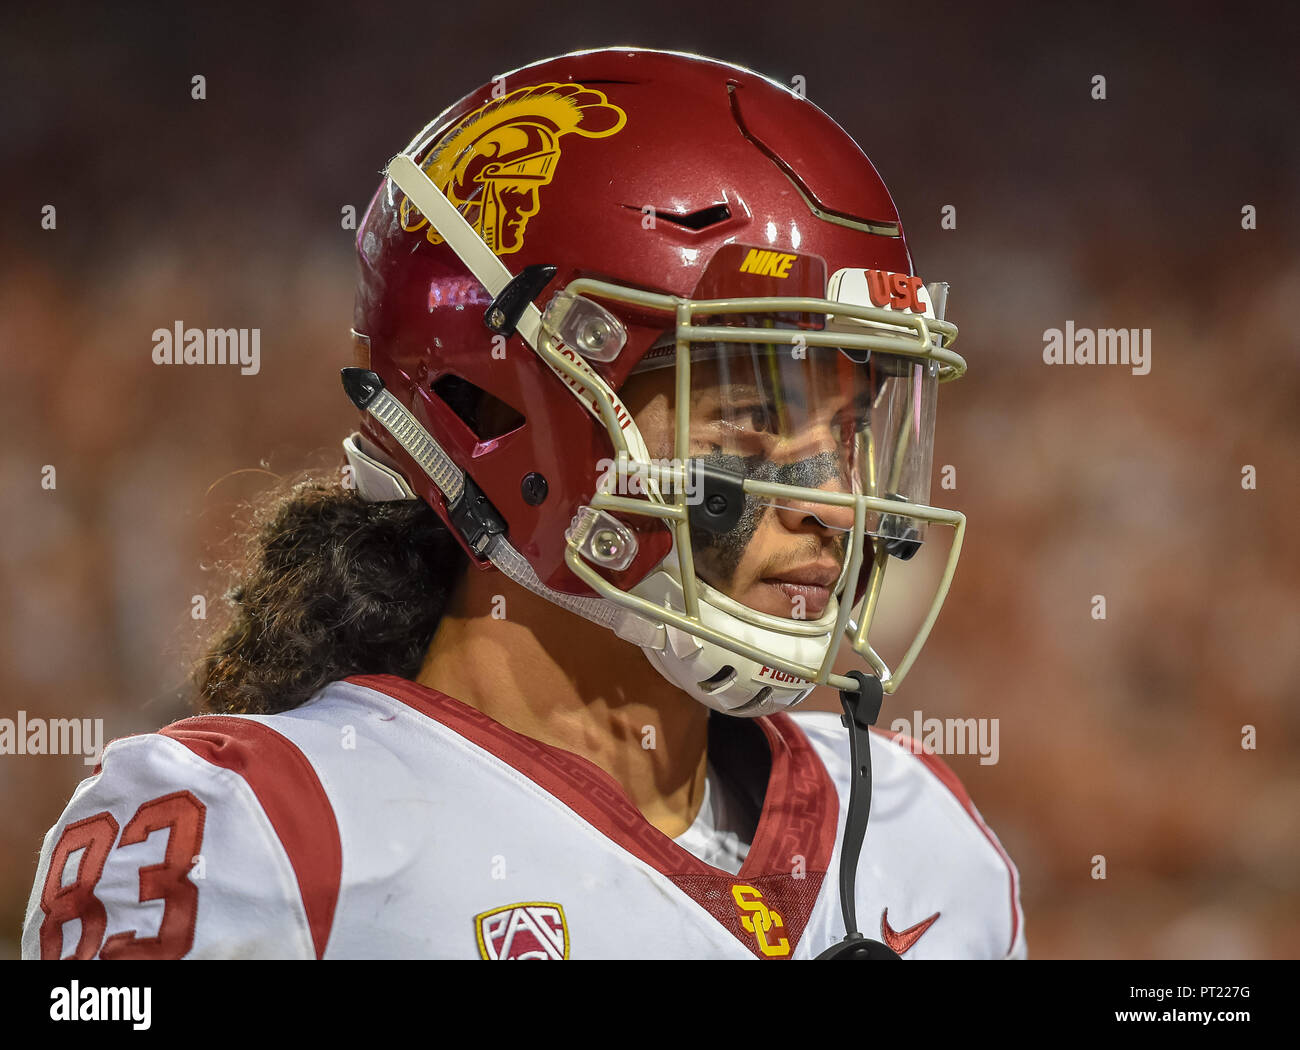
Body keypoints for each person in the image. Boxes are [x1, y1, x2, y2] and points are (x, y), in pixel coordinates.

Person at [23, 46, 1025, 960]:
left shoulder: (915, 833)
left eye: (849, 434)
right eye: (748, 422)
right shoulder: (258, 835)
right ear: (504, 406)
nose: (835, 506)